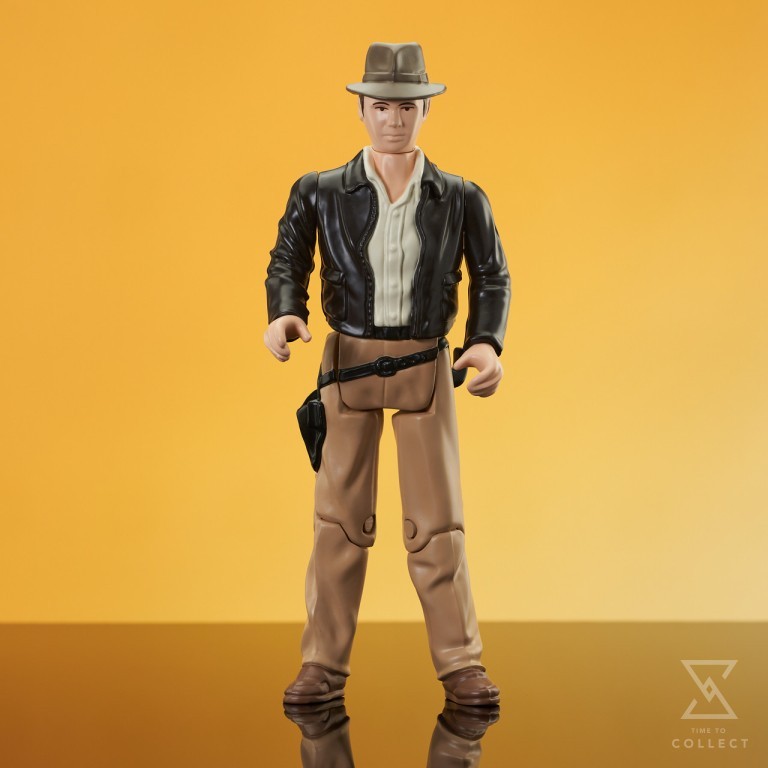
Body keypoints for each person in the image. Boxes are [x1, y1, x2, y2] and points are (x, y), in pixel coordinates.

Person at [264, 42, 510, 707]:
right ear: (362, 110)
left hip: (426, 365)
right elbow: (288, 256)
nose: (393, 120)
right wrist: (284, 312)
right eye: (381, 107)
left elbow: (492, 274)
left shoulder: (459, 197)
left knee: (437, 525)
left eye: (406, 108)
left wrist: (486, 343)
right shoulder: (321, 190)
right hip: (347, 363)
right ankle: (322, 664)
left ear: (425, 111)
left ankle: (461, 664)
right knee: (338, 523)